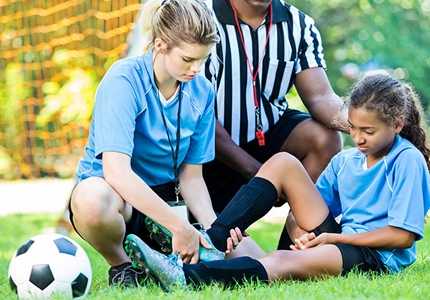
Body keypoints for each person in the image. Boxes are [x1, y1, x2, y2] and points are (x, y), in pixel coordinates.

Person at [125, 73, 430, 291]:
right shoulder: (346, 161)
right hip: (337, 241)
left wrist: (333, 239)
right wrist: (302, 234)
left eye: (369, 131)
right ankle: (213, 241)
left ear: (397, 124)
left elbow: (402, 236)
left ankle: (184, 276)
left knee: (280, 261)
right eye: (352, 127)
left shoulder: (407, 160)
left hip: (373, 256)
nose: (358, 138)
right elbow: (306, 213)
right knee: (284, 163)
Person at [69, 0, 225, 288]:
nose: (195, 69)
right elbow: (116, 173)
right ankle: (124, 267)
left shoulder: (202, 91)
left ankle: (162, 258)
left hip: (167, 200)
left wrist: (215, 231)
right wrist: (180, 227)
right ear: (160, 45)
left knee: (242, 256)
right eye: (187, 59)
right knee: (90, 200)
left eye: (202, 59)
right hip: (118, 198)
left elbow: (192, 178)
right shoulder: (123, 79)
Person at [201, 0, 347, 217]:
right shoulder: (198, 15)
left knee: (325, 138)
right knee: (207, 242)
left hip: (266, 139)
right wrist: (259, 172)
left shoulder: (299, 24)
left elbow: (320, 96)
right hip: (204, 149)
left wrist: (366, 123)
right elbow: (193, 112)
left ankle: (296, 243)